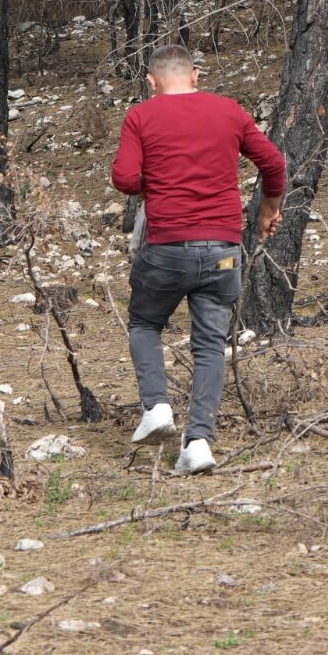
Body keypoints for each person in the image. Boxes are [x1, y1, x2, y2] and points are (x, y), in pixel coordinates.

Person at [111, 45, 285, 474]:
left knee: (145, 323)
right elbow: (273, 162)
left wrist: (160, 174)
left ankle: (157, 408)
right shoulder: (228, 111)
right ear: (195, 75)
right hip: (224, 251)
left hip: (167, 249)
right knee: (210, 344)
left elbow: (125, 180)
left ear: (152, 82)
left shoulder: (141, 117)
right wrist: (267, 210)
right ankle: (199, 442)